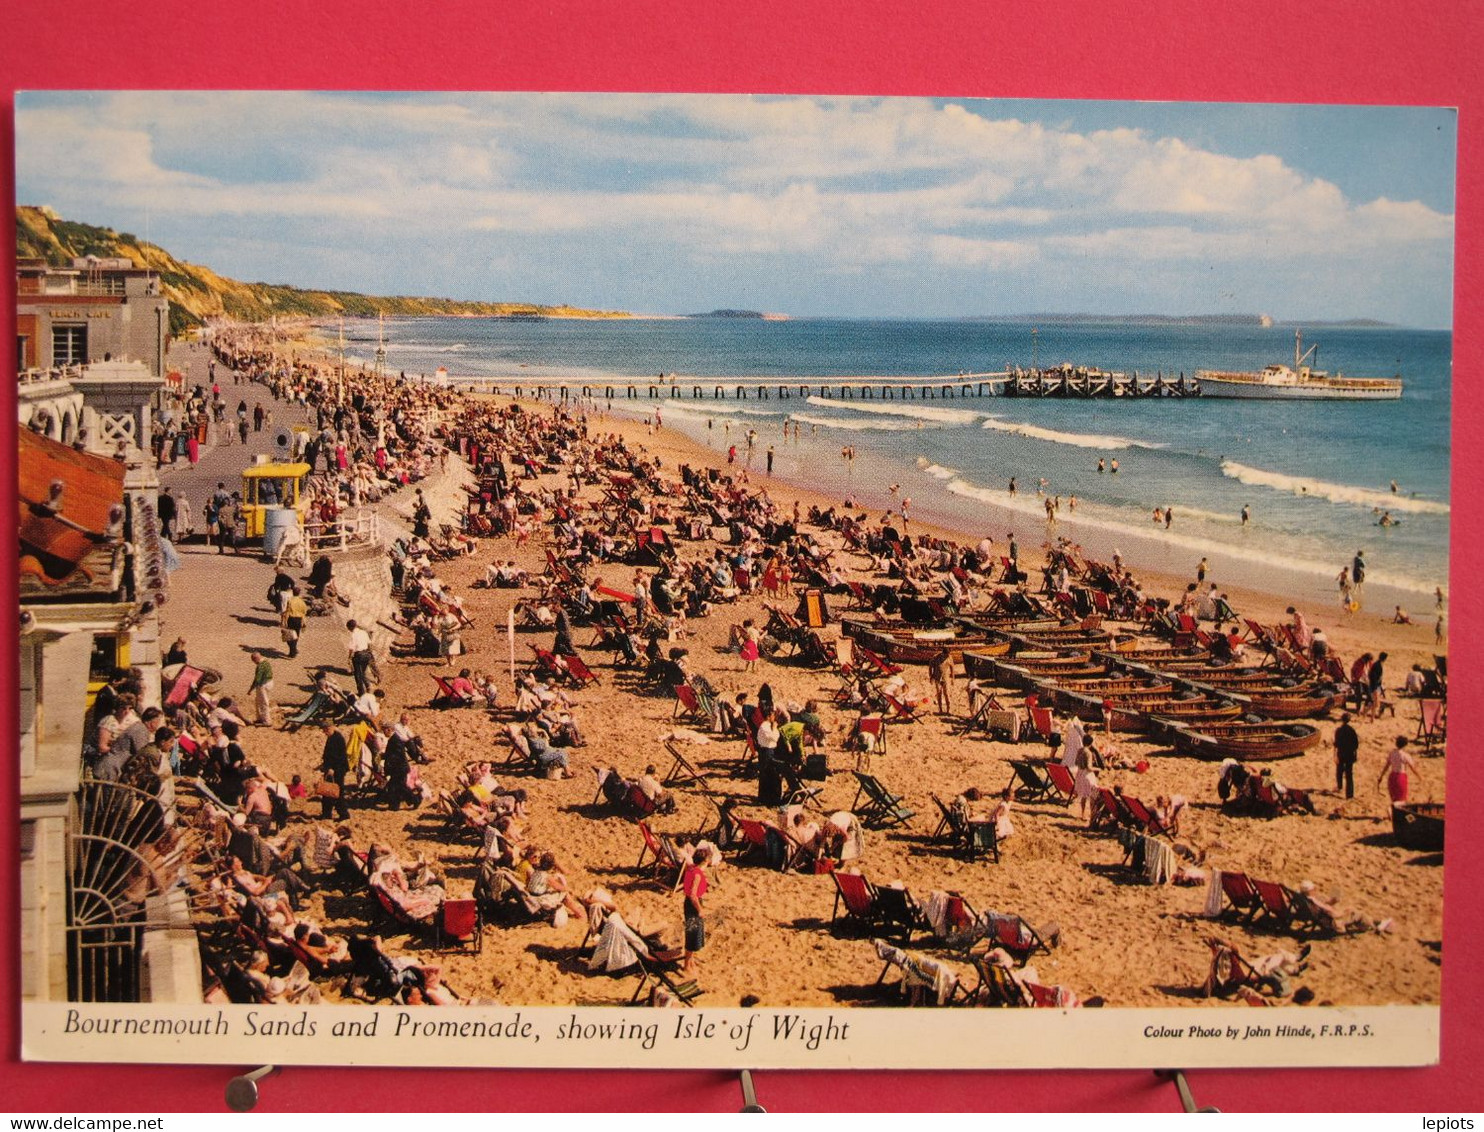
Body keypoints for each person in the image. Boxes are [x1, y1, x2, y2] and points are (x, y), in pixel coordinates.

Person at [681, 847, 711, 978]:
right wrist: (700, 910)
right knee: (693, 933)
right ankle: (687, 964)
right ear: (705, 860)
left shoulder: (691, 869)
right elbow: (693, 895)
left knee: (693, 931)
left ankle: (691, 960)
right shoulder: (697, 874)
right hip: (693, 904)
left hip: (688, 902)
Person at [317, 721, 351, 821]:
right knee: (327, 792)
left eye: (326, 730)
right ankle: (326, 814)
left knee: (336, 792)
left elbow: (339, 757)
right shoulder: (333, 737)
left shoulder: (338, 739)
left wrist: (331, 768)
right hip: (333, 769)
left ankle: (343, 814)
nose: (325, 732)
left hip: (337, 770)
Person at [1377, 736, 1420, 804]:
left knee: (1394, 799)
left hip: (1392, 776)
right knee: (1401, 799)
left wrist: (1381, 776)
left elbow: (1387, 766)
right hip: (1401, 777)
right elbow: (1412, 768)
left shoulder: (1392, 753)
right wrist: (1419, 776)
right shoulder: (1405, 755)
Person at [1332, 712, 1359, 799]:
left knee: (1339, 771)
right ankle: (1349, 794)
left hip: (1341, 753)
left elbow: (1336, 744)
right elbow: (1356, 744)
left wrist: (1335, 755)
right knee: (1349, 774)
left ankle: (1339, 787)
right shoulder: (1352, 731)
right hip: (1350, 754)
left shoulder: (1339, 730)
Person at [348, 619, 376, 695]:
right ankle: (368, 686)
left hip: (359, 655)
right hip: (366, 654)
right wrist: (370, 653)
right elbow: (369, 644)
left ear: (350, 627)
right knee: (362, 673)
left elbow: (351, 648)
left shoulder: (353, 634)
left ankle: (361, 692)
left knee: (357, 675)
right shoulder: (363, 632)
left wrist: (349, 657)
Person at [248, 651, 274, 727]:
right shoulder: (266, 662)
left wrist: (251, 689)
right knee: (259, 701)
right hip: (270, 682)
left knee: (263, 702)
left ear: (255, 659)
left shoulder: (260, 666)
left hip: (263, 685)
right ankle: (261, 718)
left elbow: (257, 680)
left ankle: (267, 721)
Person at [281, 586, 308, 658]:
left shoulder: (290, 600)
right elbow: (304, 611)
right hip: (299, 620)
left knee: (289, 635)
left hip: (291, 619)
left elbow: (287, 611)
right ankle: (294, 649)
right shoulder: (302, 602)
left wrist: (284, 620)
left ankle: (292, 651)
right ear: (299, 593)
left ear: (293, 592)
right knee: (296, 635)